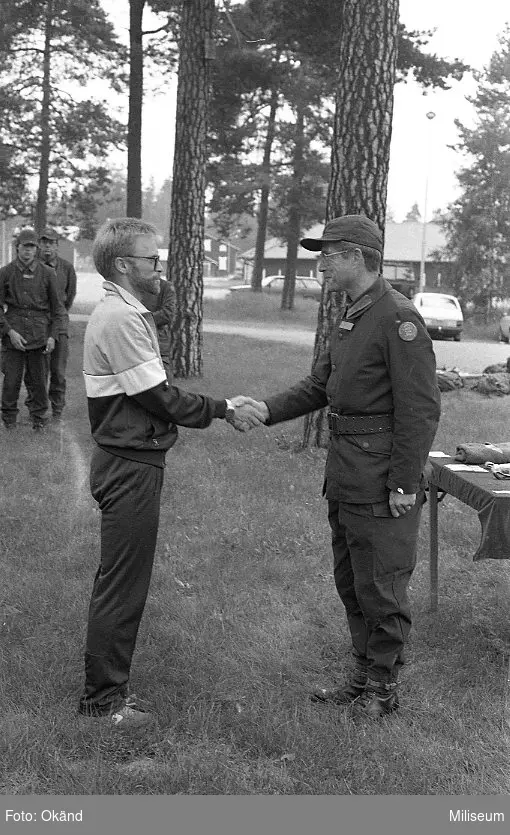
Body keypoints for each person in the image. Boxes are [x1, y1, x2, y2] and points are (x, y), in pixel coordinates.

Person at [233, 215, 441, 719]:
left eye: (326, 254)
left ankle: (383, 687)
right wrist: (264, 410)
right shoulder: (352, 314)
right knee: (351, 579)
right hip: (347, 471)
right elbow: (318, 387)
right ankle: (362, 674)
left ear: (355, 256)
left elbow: (420, 409)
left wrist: (404, 483)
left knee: (382, 582)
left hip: (380, 475)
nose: (319, 263)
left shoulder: (398, 318)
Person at [79, 217, 265, 728]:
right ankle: (104, 703)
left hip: (131, 458)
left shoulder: (128, 312)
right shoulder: (119, 318)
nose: (158, 267)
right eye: (151, 259)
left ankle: (106, 691)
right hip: (129, 463)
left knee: (119, 579)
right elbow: (158, 396)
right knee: (122, 584)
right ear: (123, 265)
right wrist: (225, 407)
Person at [0, 228, 65, 431]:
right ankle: (9, 419)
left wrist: (53, 336)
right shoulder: (5, 273)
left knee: (38, 380)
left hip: (40, 333)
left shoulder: (47, 274)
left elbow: (57, 309)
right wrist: (9, 331)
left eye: (31, 247)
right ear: (17, 247)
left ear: (36, 249)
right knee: (11, 380)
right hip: (14, 332)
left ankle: (38, 417)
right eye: (24, 247)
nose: (28, 251)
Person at [37, 227, 77, 421]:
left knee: (58, 371)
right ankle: (38, 409)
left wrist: (59, 316)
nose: (47, 247)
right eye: (44, 242)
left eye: (51, 243)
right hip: (38, 327)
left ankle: (57, 409)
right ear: (39, 245)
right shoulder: (34, 266)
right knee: (38, 372)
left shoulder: (67, 268)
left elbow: (68, 298)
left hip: (59, 326)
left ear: (57, 246)